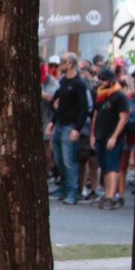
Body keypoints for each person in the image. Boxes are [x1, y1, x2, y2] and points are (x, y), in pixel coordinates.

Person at [46, 53, 87, 204]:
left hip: (71, 125)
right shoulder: (63, 81)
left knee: (69, 159)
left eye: (63, 62)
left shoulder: (79, 84)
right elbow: (58, 101)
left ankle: (73, 191)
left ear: (70, 63)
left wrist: (78, 128)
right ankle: (63, 187)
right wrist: (53, 120)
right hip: (60, 123)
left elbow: (84, 108)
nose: (60, 65)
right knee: (59, 158)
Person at [91, 68, 129, 209]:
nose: (101, 82)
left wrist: (114, 136)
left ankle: (112, 196)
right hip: (100, 135)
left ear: (111, 80)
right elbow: (96, 114)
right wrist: (93, 134)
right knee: (105, 167)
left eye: (104, 79)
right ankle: (107, 194)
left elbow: (123, 118)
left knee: (112, 166)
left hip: (112, 136)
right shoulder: (100, 95)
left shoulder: (119, 96)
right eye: (100, 79)